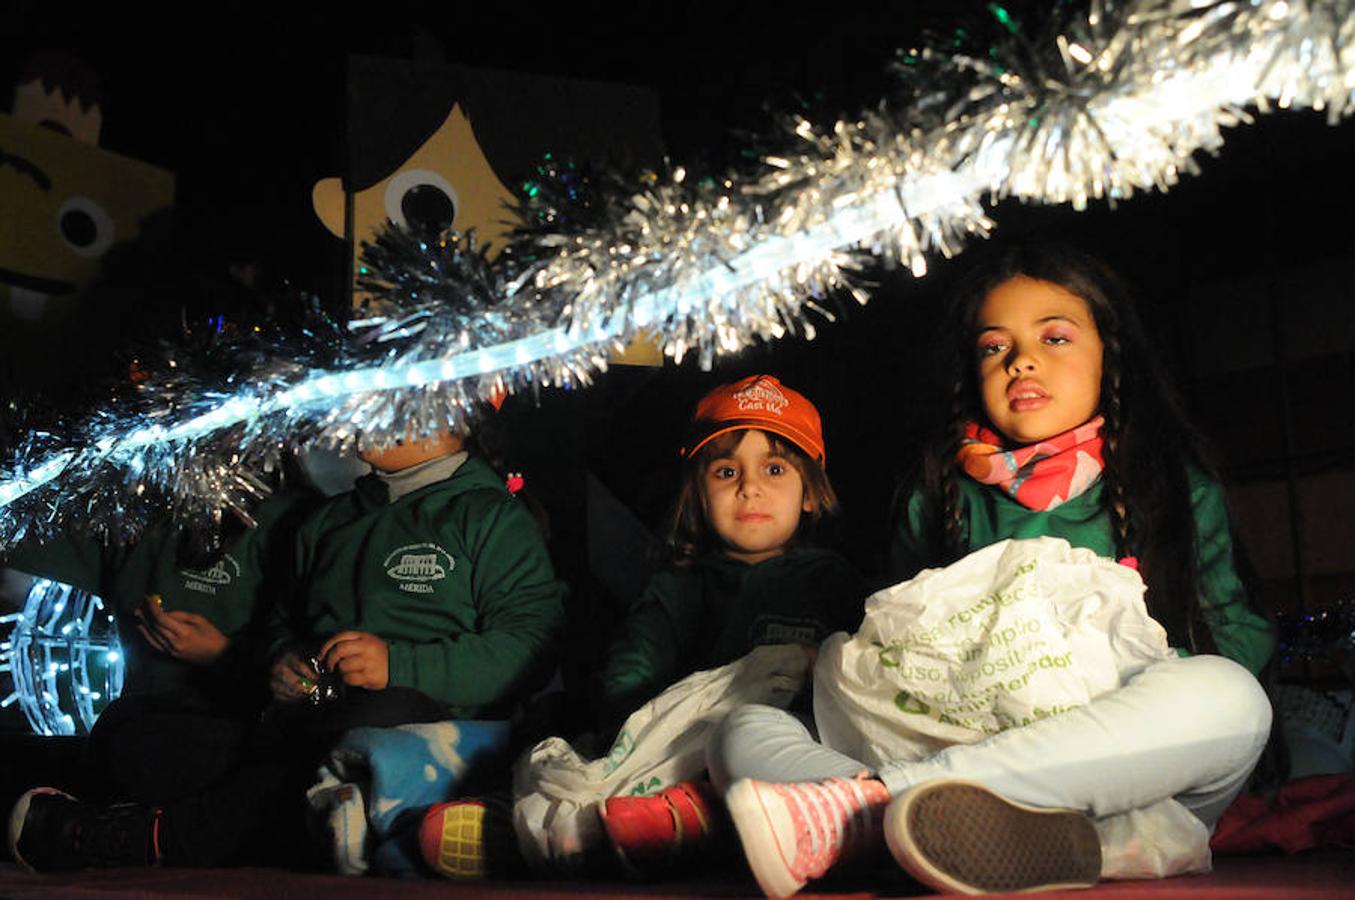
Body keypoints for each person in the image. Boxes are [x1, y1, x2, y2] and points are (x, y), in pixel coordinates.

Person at [711, 241, 1276, 897]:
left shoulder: (1170, 487)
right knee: (739, 725)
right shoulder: (937, 496)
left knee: (1230, 700)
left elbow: (1232, 628)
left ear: (1110, 357)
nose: (1021, 360)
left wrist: (1125, 677)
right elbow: (888, 643)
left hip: (1105, 764)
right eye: (992, 347)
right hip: (951, 732)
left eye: (1054, 337)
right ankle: (1049, 843)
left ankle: (862, 815)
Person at [9, 423, 566, 872]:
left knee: (374, 719)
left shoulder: (489, 517)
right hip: (303, 728)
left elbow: (531, 644)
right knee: (142, 735)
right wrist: (282, 662)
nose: (361, 415)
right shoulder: (329, 521)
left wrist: (400, 665)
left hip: (427, 734)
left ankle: (152, 840)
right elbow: (282, 622)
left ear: (450, 416)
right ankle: (324, 827)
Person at [417, 374, 866, 878]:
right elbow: (636, 663)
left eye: (775, 468)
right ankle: (526, 823)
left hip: (777, 753)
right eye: (724, 472)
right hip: (678, 742)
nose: (750, 487)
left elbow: (858, 675)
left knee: (770, 767)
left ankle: (665, 827)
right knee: (572, 752)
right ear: (697, 494)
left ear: (810, 493)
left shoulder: (834, 580)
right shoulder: (684, 584)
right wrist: (638, 722)